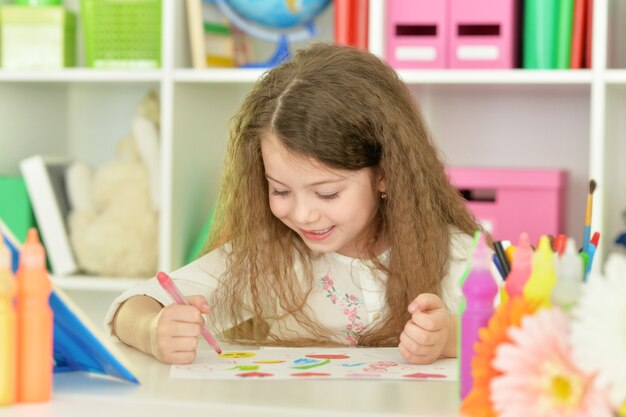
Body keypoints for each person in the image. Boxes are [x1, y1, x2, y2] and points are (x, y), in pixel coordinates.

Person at [106, 43, 482, 365]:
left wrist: (449, 337)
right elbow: (130, 306)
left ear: (384, 174)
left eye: (327, 193)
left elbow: (520, 330)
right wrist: (154, 329)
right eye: (281, 191)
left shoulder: (453, 253)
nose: (302, 214)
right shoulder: (270, 258)